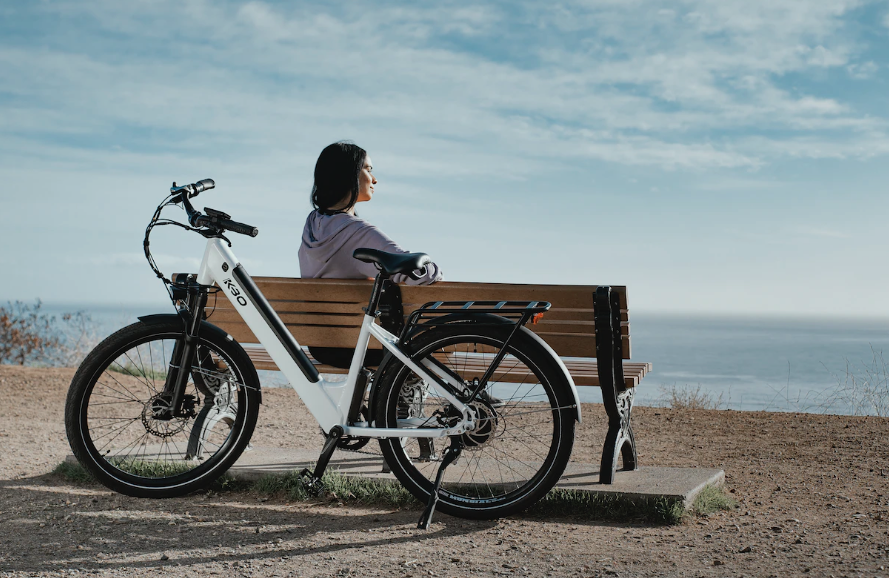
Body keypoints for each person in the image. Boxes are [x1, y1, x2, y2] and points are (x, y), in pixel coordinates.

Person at [299, 141, 442, 368]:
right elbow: (419, 274)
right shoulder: (358, 232)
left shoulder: (312, 225)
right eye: (368, 169)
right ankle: (407, 394)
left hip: (322, 345)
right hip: (365, 345)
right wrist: (434, 268)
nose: (374, 179)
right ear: (348, 175)